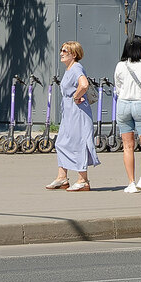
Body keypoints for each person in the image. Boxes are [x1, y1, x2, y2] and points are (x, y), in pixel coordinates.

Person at [46, 41, 99, 190]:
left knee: (78, 142)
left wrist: (76, 97)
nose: (61, 53)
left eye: (65, 51)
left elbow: (84, 84)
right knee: (61, 142)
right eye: (61, 50)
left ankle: (83, 180)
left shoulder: (76, 68)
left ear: (74, 54)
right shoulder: (69, 69)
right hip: (69, 112)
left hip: (78, 112)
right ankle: (62, 177)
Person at [114, 35, 141, 193]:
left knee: (127, 146)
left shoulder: (120, 65)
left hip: (123, 104)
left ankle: (131, 183)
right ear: (140, 48)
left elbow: (117, 87)